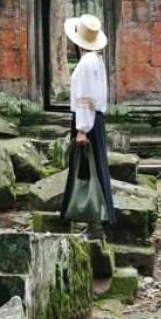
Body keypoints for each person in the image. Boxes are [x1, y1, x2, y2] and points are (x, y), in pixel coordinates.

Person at [60, 13, 116, 228]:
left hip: (87, 121)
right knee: (96, 165)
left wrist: (82, 129)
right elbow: (97, 97)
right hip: (96, 118)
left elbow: (84, 98)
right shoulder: (96, 60)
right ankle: (101, 215)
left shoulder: (85, 64)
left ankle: (87, 214)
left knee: (84, 167)